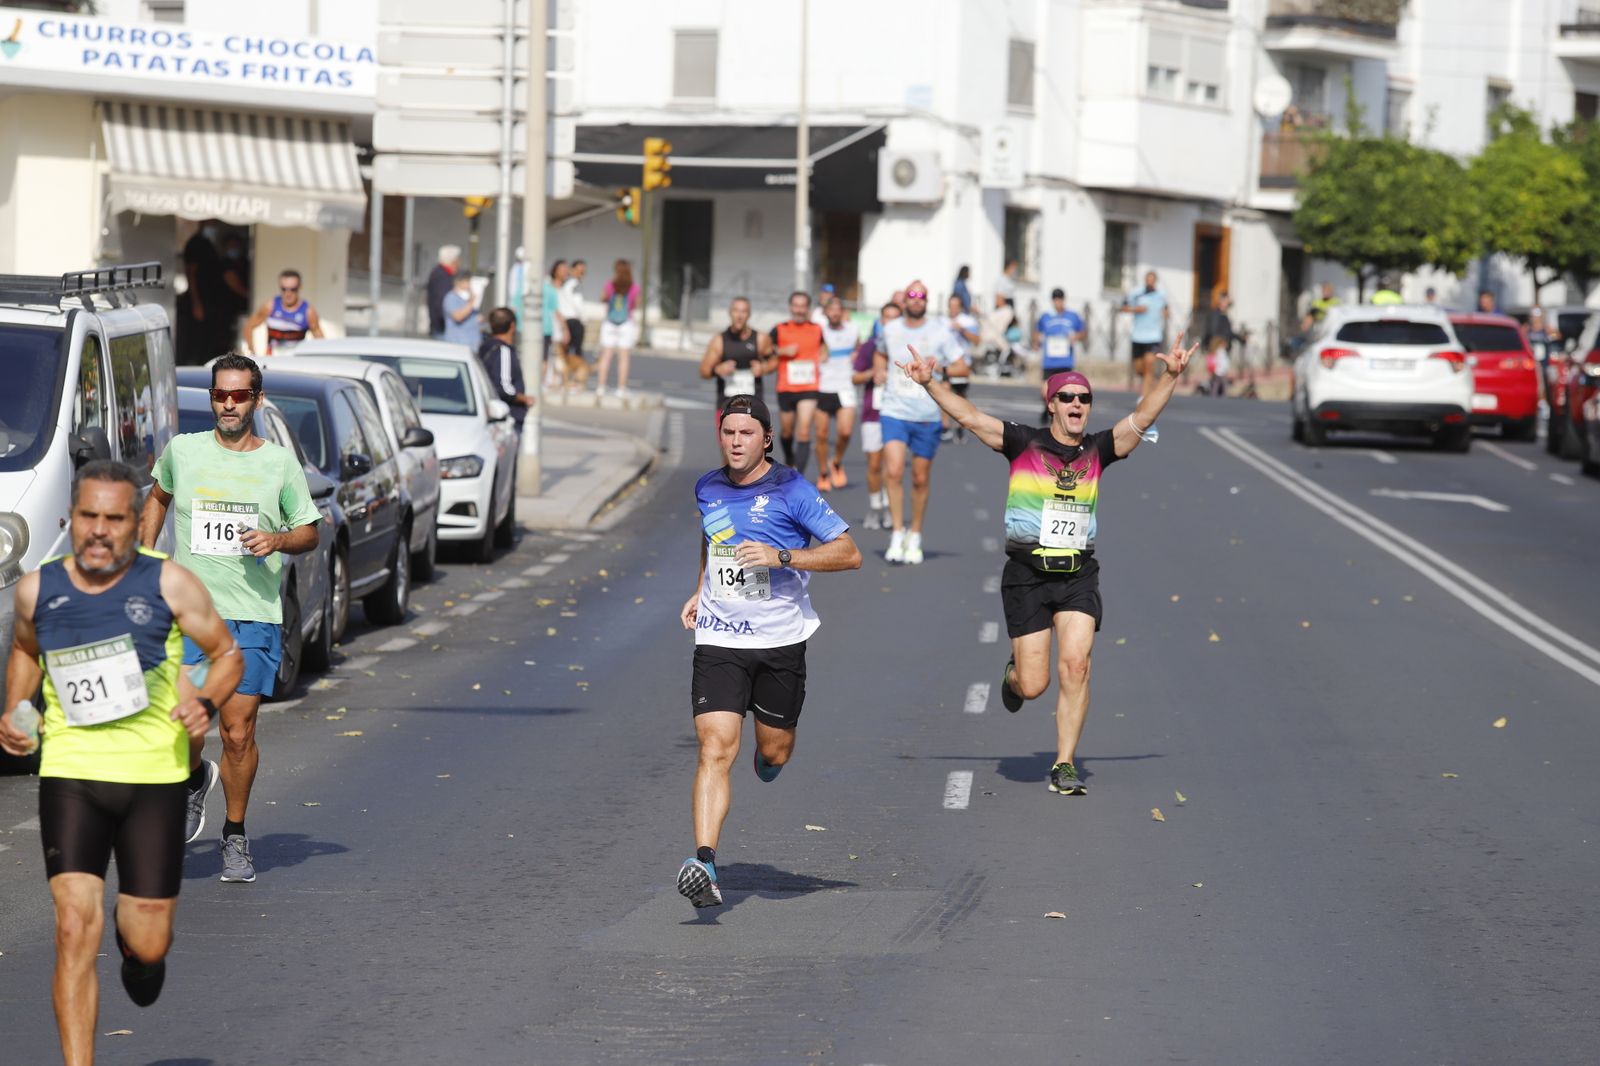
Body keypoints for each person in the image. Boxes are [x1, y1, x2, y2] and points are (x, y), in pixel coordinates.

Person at [0, 460, 244, 1064]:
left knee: (150, 940)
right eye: (88, 516)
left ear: (136, 524)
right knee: (72, 929)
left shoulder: (170, 584)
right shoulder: (38, 590)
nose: (99, 530)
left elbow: (226, 655)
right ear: (71, 518)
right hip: (73, 773)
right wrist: (17, 711)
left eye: (113, 518)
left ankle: (138, 948)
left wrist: (204, 703)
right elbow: (26, 651)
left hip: (153, 780)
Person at [903, 335, 1198, 795]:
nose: (1077, 404)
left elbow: (1142, 418)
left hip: (1078, 573)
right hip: (1027, 575)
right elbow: (970, 417)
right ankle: (1014, 677)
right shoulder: (1023, 443)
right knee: (1034, 684)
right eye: (1068, 397)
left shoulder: (1098, 450)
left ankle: (1064, 764)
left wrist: (1170, 376)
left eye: (1084, 398)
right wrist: (930, 383)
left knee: (1076, 665)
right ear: (1052, 405)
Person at [138, 354, 322, 884]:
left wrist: (277, 539)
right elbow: (157, 499)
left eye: (240, 396)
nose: (229, 404)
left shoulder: (279, 464)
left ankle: (235, 835)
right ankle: (195, 776)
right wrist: (145, 562)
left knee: (237, 733)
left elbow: (309, 532)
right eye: (221, 395)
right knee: (184, 721)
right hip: (192, 616)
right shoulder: (183, 451)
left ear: (256, 400)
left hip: (253, 618)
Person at [675, 394, 861, 909]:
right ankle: (704, 862)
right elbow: (712, 541)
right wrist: (700, 589)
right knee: (715, 748)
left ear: (767, 439)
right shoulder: (707, 486)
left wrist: (782, 556)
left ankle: (770, 755)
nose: (736, 442)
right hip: (719, 637)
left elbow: (849, 554)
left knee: (774, 750)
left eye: (746, 433)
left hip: (779, 640)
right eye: (728, 432)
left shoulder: (792, 489)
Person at [874, 280, 965, 564]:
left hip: (927, 414)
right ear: (905, 300)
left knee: (919, 477)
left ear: (926, 300)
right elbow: (879, 352)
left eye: (921, 295)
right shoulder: (890, 328)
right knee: (893, 471)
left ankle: (915, 534)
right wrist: (879, 370)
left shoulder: (940, 331)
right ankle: (896, 533)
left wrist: (939, 368)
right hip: (894, 411)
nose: (916, 299)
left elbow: (963, 366)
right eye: (911, 295)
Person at [769, 291, 826, 475]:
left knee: (804, 430)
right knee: (786, 431)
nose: (799, 310)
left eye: (803, 306)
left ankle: (797, 476)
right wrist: (781, 351)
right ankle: (789, 458)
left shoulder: (817, 329)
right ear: (790, 307)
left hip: (809, 387)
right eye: (796, 306)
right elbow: (764, 349)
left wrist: (825, 354)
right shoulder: (780, 328)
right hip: (786, 387)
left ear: (808, 308)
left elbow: (824, 346)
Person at [855, 302, 900, 529]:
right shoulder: (869, 346)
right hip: (872, 413)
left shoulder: (906, 347)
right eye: (887, 317)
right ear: (880, 321)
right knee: (874, 464)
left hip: (899, 413)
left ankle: (891, 508)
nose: (890, 322)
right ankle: (875, 506)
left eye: (895, 317)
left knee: (892, 467)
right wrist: (872, 374)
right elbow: (855, 377)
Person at [815, 297, 860, 490]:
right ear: (825, 312)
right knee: (821, 435)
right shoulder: (819, 331)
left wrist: (857, 355)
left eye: (838, 309)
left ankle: (836, 461)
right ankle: (823, 472)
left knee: (845, 431)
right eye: (831, 309)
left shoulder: (853, 330)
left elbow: (859, 349)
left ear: (843, 312)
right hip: (823, 387)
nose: (834, 312)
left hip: (845, 387)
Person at [700, 296, 775, 411]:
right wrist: (718, 370)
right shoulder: (719, 341)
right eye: (736, 311)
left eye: (744, 311)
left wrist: (763, 368)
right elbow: (704, 371)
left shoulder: (760, 339)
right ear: (730, 313)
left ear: (749, 314)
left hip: (753, 404)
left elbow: (774, 361)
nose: (739, 316)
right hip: (726, 404)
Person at [241, 268, 324, 357]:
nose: (288, 294)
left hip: (296, 361)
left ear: (300, 287)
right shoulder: (270, 306)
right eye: (284, 289)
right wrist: (252, 351)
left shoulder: (308, 312)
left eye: (293, 289)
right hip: (272, 361)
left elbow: (320, 341)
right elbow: (249, 326)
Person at [480, 307, 533, 439]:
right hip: (507, 418)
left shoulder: (485, 346)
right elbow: (504, 387)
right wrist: (524, 399)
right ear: (512, 326)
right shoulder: (503, 351)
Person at [1118, 270, 1169, 399]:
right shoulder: (1136, 293)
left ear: (1155, 281)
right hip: (1138, 336)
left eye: (1152, 280)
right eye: (1148, 280)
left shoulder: (1161, 295)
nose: (1149, 283)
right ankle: (1150, 384)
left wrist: (1165, 314)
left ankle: (1143, 397)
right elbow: (1123, 308)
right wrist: (1136, 309)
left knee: (1149, 366)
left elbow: (1166, 310)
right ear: (1145, 281)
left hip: (1153, 336)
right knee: (1139, 369)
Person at [595, 259, 640, 398]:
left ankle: (601, 387)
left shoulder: (610, 285)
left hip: (609, 322)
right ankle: (621, 388)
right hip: (626, 322)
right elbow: (636, 304)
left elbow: (602, 298)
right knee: (624, 358)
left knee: (606, 356)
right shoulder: (634, 287)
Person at [943, 293, 981, 440]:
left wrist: (962, 330)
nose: (953, 309)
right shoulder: (942, 321)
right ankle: (945, 426)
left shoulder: (967, 321)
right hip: (946, 363)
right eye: (951, 306)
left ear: (960, 307)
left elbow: (977, 340)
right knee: (944, 393)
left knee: (960, 397)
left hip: (963, 364)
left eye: (956, 306)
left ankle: (959, 427)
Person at [559, 259, 589, 388]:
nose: (582, 272)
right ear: (572, 270)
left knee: (566, 351)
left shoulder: (568, 283)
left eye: (583, 270)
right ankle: (576, 379)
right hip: (574, 320)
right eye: (579, 270)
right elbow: (577, 303)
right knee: (576, 352)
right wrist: (584, 318)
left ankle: (567, 379)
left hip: (568, 320)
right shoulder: (574, 284)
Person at [542, 260, 571, 390]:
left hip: (559, 325)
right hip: (550, 325)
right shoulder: (549, 287)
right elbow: (555, 309)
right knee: (548, 354)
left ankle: (556, 380)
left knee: (557, 354)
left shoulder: (568, 287)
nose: (565, 272)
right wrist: (564, 328)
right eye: (562, 269)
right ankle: (547, 381)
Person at [427, 245, 462, 339]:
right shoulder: (442, 276)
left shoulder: (442, 274)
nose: (459, 264)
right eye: (457, 260)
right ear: (453, 261)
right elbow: (442, 303)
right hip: (442, 328)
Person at [441, 270, 482, 348]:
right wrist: (471, 302)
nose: (470, 285)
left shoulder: (466, 299)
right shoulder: (451, 297)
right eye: (467, 281)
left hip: (472, 345)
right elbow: (458, 317)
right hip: (458, 344)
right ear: (458, 282)